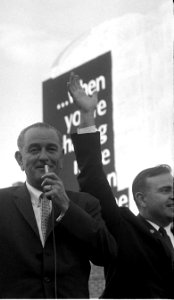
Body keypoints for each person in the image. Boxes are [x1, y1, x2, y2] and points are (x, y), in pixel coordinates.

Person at [0, 119, 116, 298]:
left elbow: (106, 253)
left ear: (61, 158)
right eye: (34, 150)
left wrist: (67, 208)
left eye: (51, 149)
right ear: (20, 159)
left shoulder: (85, 204)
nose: (43, 156)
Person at [68, 72, 174, 298]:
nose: (173, 196)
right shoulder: (123, 228)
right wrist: (88, 113)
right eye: (165, 190)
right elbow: (93, 178)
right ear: (141, 199)